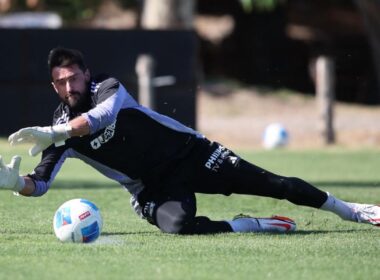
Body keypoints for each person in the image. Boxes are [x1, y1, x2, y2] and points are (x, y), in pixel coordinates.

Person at [1, 47, 379, 235]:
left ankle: (352, 210)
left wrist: (57, 133)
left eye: (74, 78)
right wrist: (17, 184)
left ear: (85, 73)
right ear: (54, 86)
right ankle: (251, 225)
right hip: (151, 187)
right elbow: (43, 182)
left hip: (191, 154)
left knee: (275, 183)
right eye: (61, 82)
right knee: (178, 227)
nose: (70, 86)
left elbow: (102, 118)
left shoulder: (107, 88)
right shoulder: (57, 128)